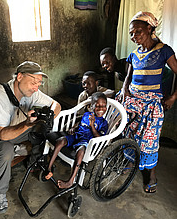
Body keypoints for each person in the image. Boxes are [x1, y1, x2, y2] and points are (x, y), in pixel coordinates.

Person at [0, 61, 61, 213]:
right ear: (20, 77)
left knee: (43, 130)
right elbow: (2, 134)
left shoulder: (31, 93)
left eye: (39, 83)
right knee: (6, 150)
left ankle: (34, 161)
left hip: (13, 130)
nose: (36, 87)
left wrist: (49, 117)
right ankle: (0, 193)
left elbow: (56, 104)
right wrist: (27, 124)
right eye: (33, 82)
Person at [119, 11, 177, 193]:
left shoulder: (163, 50)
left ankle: (150, 173)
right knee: (127, 132)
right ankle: (129, 160)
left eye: (137, 31)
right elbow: (128, 77)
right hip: (133, 100)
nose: (133, 36)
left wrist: (173, 97)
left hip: (151, 102)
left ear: (149, 29)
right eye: (131, 33)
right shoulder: (134, 55)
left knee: (149, 139)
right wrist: (124, 91)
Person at [45, 92, 108, 189]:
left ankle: (70, 181)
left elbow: (98, 137)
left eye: (104, 106)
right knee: (60, 141)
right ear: (91, 106)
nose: (101, 109)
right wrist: (74, 128)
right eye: (97, 105)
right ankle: (49, 168)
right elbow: (80, 124)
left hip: (87, 141)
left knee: (81, 150)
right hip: (76, 136)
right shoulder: (87, 115)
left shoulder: (104, 123)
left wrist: (92, 126)